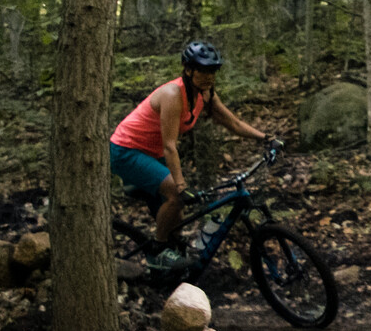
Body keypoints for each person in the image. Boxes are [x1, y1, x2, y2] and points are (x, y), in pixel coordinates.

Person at [110, 40, 272, 267]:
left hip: (150, 153)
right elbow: (170, 145)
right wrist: (181, 185)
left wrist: (266, 138)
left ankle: (171, 253)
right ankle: (159, 249)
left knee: (177, 210)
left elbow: (233, 123)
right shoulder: (172, 94)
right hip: (126, 150)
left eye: (213, 71)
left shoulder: (205, 94)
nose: (209, 77)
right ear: (188, 69)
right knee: (176, 195)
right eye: (203, 71)